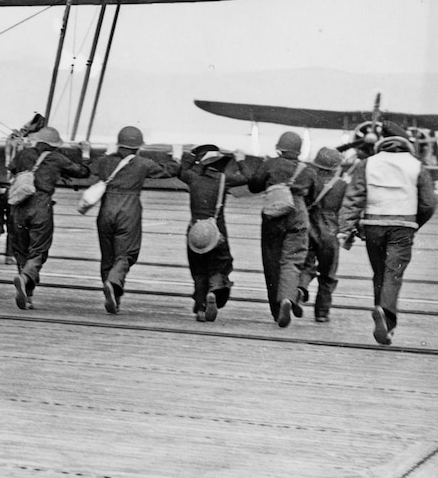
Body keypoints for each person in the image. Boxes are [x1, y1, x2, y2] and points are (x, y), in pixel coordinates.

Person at [338, 123, 435, 344]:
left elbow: (353, 198)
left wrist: (345, 228)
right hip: (403, 226)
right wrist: (415, 223)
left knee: (380, 273)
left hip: (373, 225)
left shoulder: (367, 163)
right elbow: (429, 203)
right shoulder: (416, 165)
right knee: (394, 273)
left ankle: (381, 314)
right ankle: (386, 317)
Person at [86, 126, 181, 314]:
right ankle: (114, 282)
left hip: (106, 210)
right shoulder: (143, 163)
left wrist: (94, 153)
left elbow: (89, 168)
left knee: (108, 256)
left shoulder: (105, 161)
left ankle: (113, 295)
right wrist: (176, 157)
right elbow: (167, 171)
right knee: (127, 253)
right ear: (138, 146)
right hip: (129, 210)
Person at [6, 126, 89, 310]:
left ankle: (27, 296)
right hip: (41, 206)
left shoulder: (25, 154)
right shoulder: (57, 158)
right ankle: (26, 279)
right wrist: (85, 154)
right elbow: (83, 172)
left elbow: (11, 168)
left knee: (21, 250)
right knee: (38, 251)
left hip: (19, 205)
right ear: (54, 144)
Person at [246, 130, 318, 328]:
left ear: (280, 147)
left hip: (273, 214)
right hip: (298, 215)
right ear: (299, 150)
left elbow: (254, 186)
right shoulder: (308, 170)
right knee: (292, 261)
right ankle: (288, 298)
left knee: (271, 263)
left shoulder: (270, 164)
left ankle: (277, 311)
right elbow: (314, 196)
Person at [177, 145, 249, 322]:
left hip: (195, 230)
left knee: (198, 269)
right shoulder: (224, 179)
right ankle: (214, 292)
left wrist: (189, 156)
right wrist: (240, 160)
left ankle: (201, 307)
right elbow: (249, 178)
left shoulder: (192, 177)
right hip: (217, 232)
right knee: (220, 265)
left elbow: (180, 170)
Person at [296, 147, 348, 323]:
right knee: (328, 274)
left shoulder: (310, 179)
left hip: (308, 228)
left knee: (306, 266)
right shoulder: (342, 185)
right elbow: (346, 210)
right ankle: (322, 313)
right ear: (336, 167)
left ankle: (300, 289)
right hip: (330, 232)